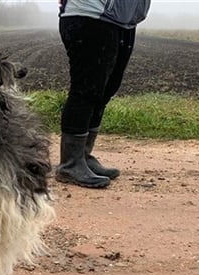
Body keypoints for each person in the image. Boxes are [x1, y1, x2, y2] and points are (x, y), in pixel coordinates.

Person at [56, 0, 151, 188]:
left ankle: (83, 155)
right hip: (90, 15)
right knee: (86, 90)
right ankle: (70, 163)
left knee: (106, 90)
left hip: (122, 20)